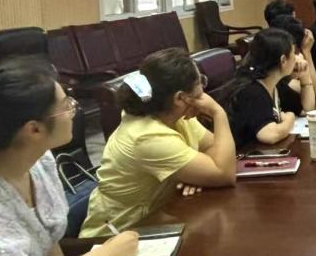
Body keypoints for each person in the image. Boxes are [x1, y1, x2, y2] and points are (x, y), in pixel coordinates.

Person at [0, 58, 140, 256]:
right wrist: (106, 254)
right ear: (34, 129)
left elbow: (49, 242)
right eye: (65, 106)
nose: (73, 110)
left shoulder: (40, 161)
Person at [80, 49, 237, 237]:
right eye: (200, 82)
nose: (203, 88)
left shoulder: (174, 115)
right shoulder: (147, 136)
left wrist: (200, 175)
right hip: (115, 237)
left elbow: (214, 148)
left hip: (157, 222)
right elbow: (225, 173)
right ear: (180, 98)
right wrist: (218, 113)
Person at [224, 28, 308, 148]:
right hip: (245, 154)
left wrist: (305, 75)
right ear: (283, 60)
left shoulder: (274, 83)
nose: (296, 58)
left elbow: (307, 108)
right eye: (293, 53)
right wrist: (289, 119)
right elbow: (269, 135)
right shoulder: (252, 91)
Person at [268, 14, 316, 112]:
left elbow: (308, 108)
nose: (298, 56)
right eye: (295, 52)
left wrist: (305, 75)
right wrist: (307, 52)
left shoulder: (283, 77)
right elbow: (315, 92)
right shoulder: (270, 77)